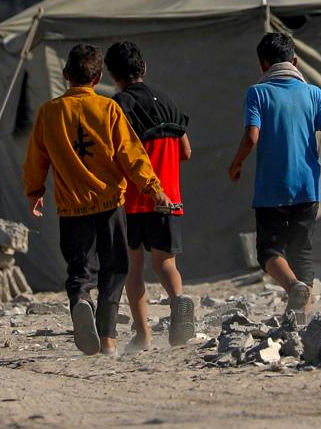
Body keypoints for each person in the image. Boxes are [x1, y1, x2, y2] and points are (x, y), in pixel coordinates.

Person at [23, 43, 175, 357]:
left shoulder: (49, 113)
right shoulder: (108, 109)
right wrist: (153, 188)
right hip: (109, 205)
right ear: (98, 78)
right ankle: (107, 340)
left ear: (65, 75)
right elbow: (131, 155)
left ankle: (81, 300)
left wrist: (34, 191)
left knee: (80, 269)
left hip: (71, 207)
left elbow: (36, 159)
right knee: (114, 269)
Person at [227, 30, 321, 319]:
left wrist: (236, 164)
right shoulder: (314, 94)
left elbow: (251, 136)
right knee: (302, 252)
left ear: (263, 64)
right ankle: (300, 317)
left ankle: (292, 287)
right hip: (307, 188)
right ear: (295, 62)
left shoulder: (257, 93)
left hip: (271, 189)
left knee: (269, 251)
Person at [104, 40, 196, 351]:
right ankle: (179, 301)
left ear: (112, 75)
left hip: (132, 200)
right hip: (169, 197)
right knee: (166, 263)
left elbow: (115, 153)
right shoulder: (169, 102)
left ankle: (143, 335)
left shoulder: (119, 105)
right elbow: (186, 151)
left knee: (134, 267)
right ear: (143, 67)